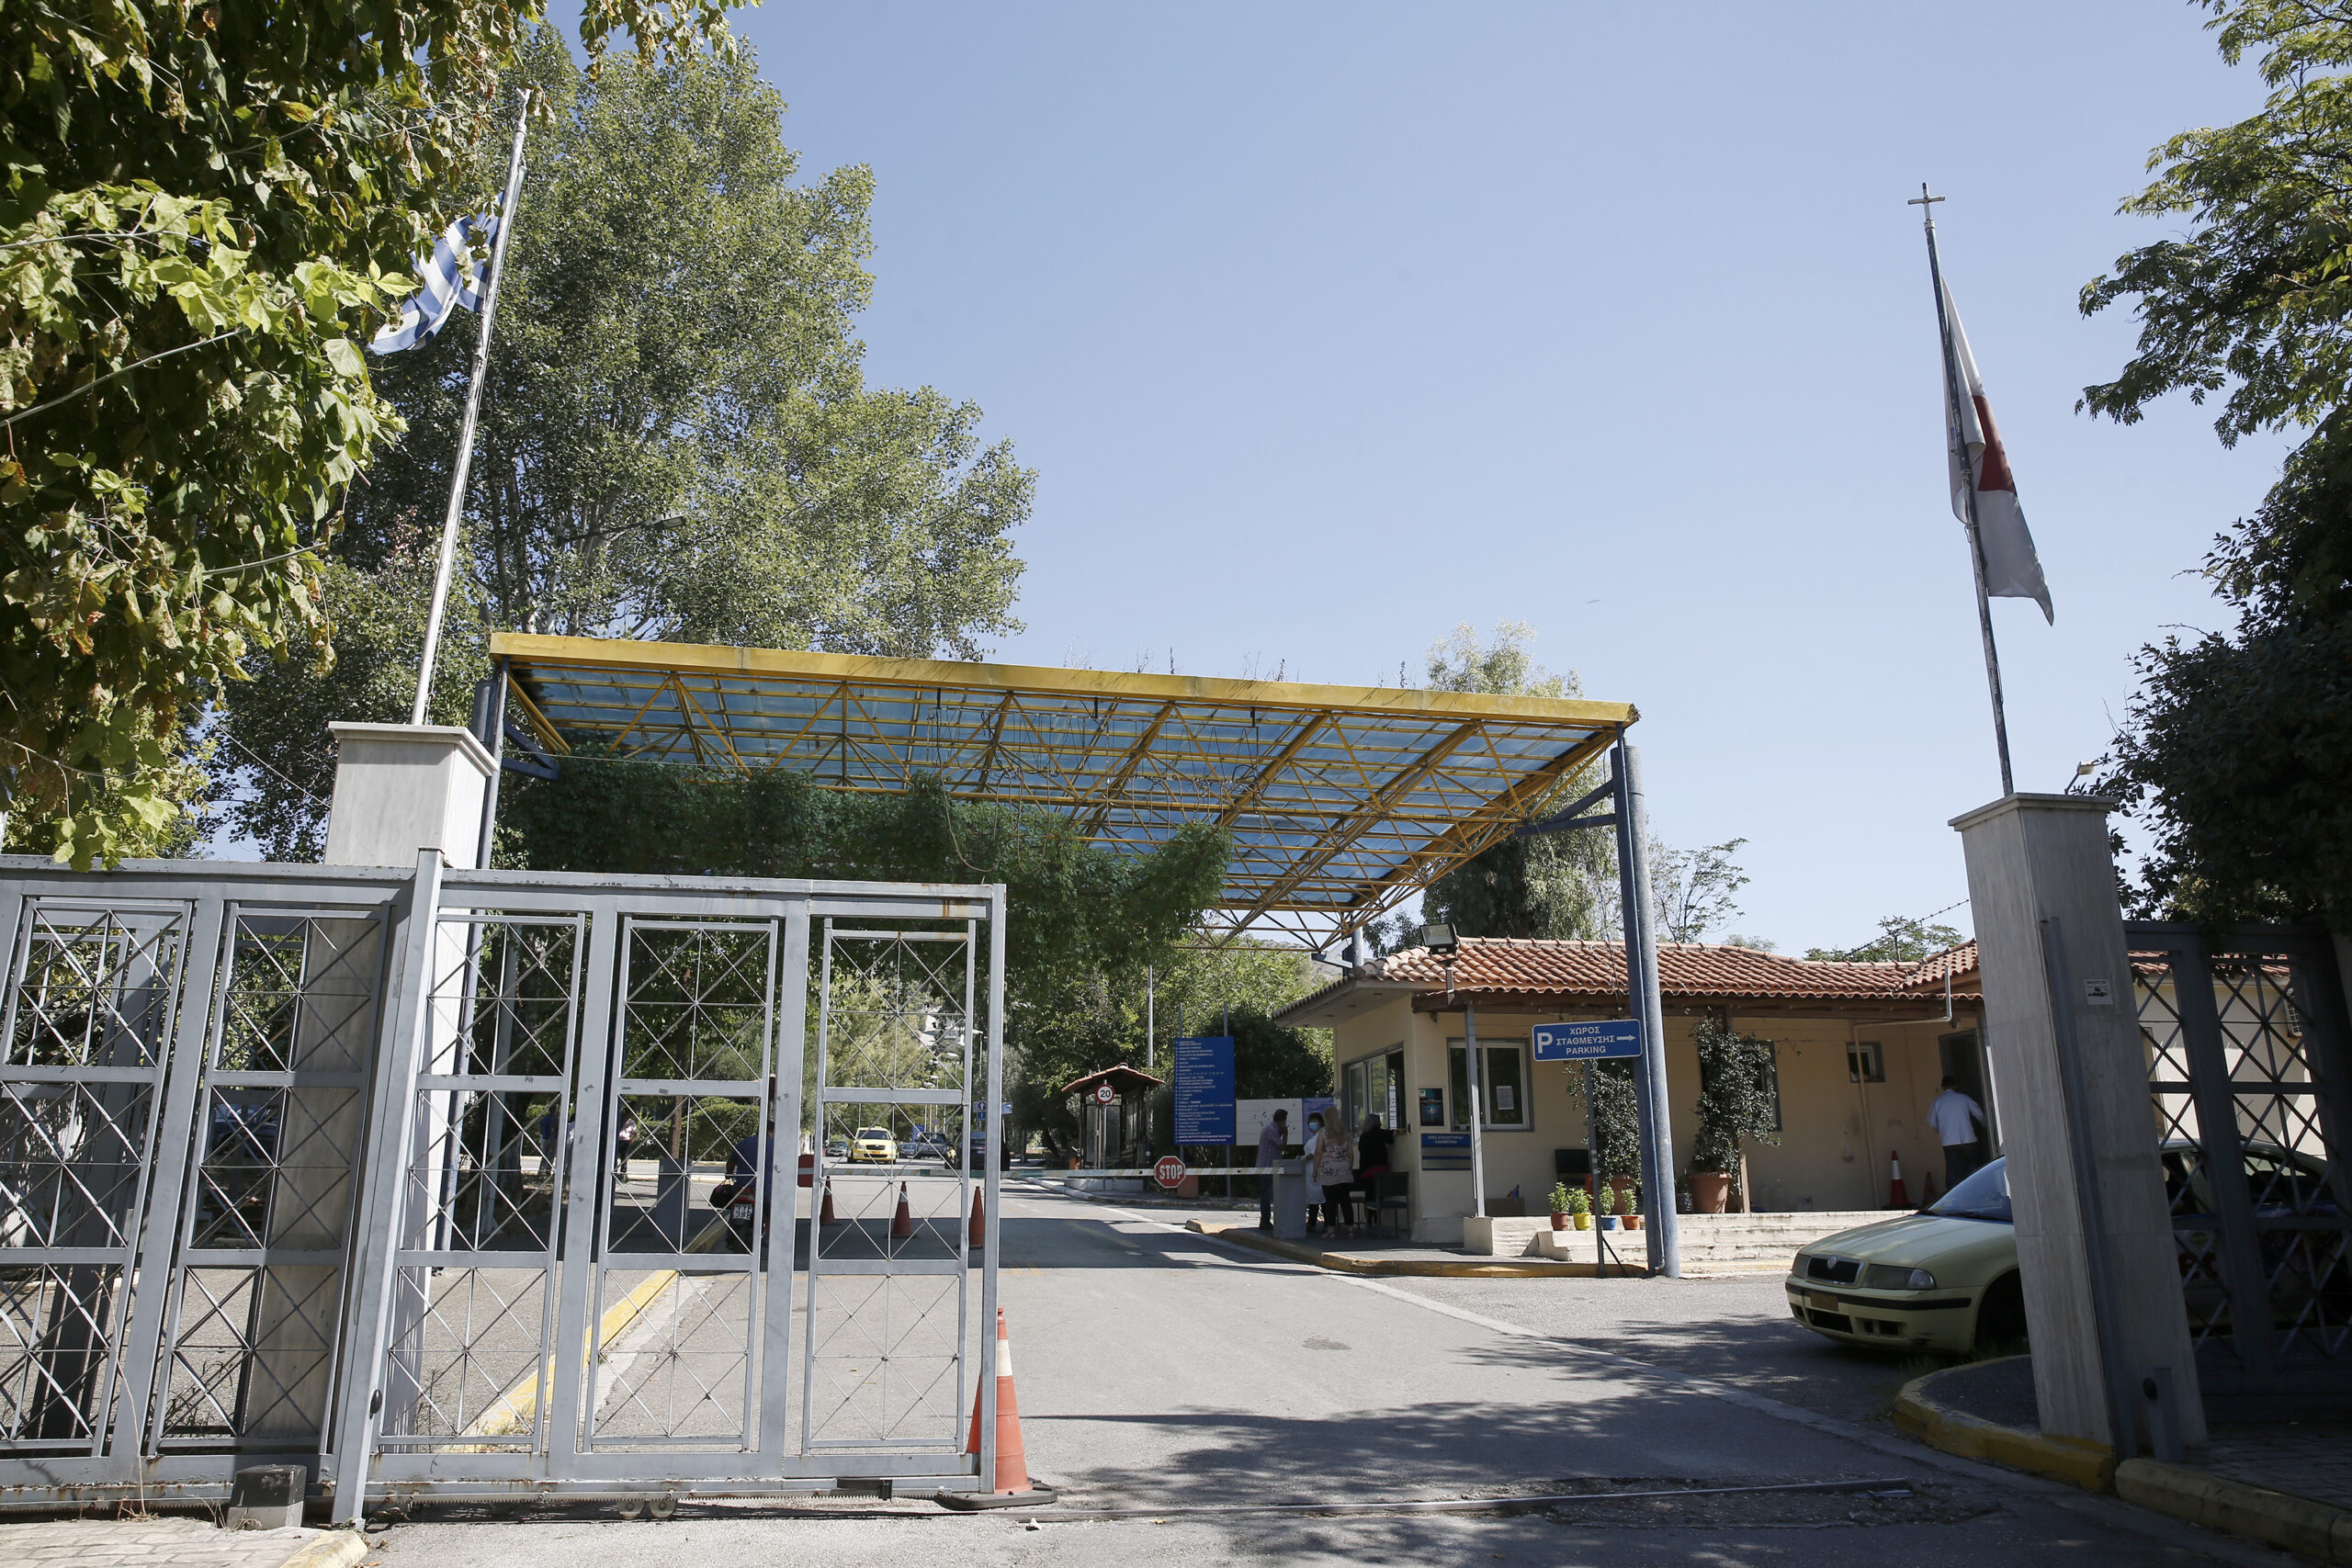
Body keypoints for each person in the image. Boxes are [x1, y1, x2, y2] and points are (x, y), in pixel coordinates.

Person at [1927, 1075, 1989, 1190]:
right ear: (1955, 1086)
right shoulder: (1963, 1098)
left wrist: (1941, 1131)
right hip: (1968, 1138)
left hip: (1949, 1141)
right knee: (1973, 1167)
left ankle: (1954, 1194)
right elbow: (1979, 1114)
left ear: (1942, 1087)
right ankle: (1977, 1190)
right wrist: (1984, 1124)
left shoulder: (1937, 1102)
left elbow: (1931, 1122)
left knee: (1953, 1171)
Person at [1314, 1111, 1358, 1237]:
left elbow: (1318, 1153)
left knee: (1330, 1201)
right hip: (1344, 1170)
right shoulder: (1346, 1133)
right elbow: (1351, 1154)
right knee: (1345, 1200)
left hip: (1328, 1171)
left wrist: (1315, 1170)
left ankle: (1331, 1229)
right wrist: (1348, 1167)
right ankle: (1350, 1228)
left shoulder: (1323, 1132)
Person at [1354, 1113, 1393, 1235]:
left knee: (1369, 1197)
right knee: (1379, 1197)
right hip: (1381, 1172)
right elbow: (1392, 1137)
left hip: (1367, 1173)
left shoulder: (1363, 1137)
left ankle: (1369, 1222)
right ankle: (1377, 1220)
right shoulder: (1381, 1134)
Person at [1255, 1108, 1289, 1231]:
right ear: (1281, 1120)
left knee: (1269, 1193)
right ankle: (1265, 1221)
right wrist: (1286, 1133)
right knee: (1266, 1194)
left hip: (1269, 1166)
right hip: (1267, 1167)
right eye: (1285, 1121)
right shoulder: (1271, 1129)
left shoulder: (1270, 1128)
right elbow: (1282, 1146)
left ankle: (1267, 1220)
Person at [1301, 1111, 1329, 1235]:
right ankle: (1312, 1222)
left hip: (1318, 1169)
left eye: (1315, 1121)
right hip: (1311, 1170)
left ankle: (1326, 1223)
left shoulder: (1322, 1135)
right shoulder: (1314, 1137)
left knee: (1322, 1198)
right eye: (1310, 1121)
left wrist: (1305, 1158)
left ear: (1321, 1122)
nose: (1312, 1123)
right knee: (1313, 1199)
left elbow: (1317, 1152)